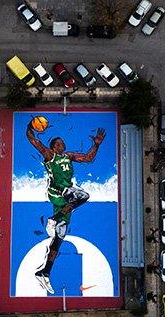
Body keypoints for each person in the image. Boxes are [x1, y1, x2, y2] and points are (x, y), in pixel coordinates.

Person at [26, 120, 106, 294]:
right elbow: (34, 141)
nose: (61, 144)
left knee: (59, 238)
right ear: (53, 147)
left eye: (62, 142)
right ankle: (53, 219)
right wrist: (29, 127)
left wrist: (96, 144)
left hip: (66, 198)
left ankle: (44, 272)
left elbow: (88, 158)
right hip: (57, 192)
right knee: (83, 196)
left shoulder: (68, 156)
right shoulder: (50, 155)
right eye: (58, 143)